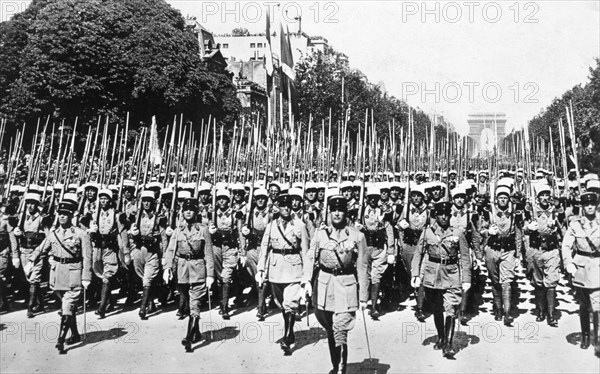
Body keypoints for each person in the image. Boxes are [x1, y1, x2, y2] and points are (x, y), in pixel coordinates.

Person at [25, 199, 92, 354]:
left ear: (72, 215)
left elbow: (87, 257)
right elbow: (41, 249)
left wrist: (86, 276)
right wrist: (30, 261)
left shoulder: (81, 234)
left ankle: (60, 341)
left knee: (67, 306)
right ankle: (74, 334)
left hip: (74, 273)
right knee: (67, 306)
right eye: (60, 214)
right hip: (57, 275)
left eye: (65, 214)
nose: (62, 216)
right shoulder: (54, 234)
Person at [311, 194, 368, 374]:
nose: (337, 214)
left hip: (346, 285)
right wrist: (305, 282)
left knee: (340, 328)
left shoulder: (357, 236)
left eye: (340, 210)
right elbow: (309, 258)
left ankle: (340, 370)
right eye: (333, 210)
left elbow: (362, 267)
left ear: (346, 212)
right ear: (329, 212)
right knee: (330, 329)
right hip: (324, 285)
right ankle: (335, 365)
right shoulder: (320, 234)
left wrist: (364, 296)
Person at [411, 201, 471, 358]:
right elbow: (418, 253)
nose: (444, 217)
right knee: (437, 308)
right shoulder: (427, 233)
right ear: (435, 216)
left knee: (451, 309)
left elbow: (465, 257)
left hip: (451, 274)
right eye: (440, 214)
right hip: (432, 275)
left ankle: (449, 345)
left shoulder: (457, 233)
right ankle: (442, 337)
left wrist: (466, 279)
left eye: (446, 214)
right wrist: (415, 274)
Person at [256, 193, 312, 355]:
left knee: (290, 302)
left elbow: (305, 251)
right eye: (282, 206)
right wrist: (261, 269)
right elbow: (264, 248)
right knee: (281, 302)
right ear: (277, 207)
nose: (286, 209)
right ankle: (291, 331)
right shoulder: (271, 225)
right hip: (275, 268)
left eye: (288, 206)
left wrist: (306, 276)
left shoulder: (299, 225)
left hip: (294, 267)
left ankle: (287, 338)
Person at [163, 198, 215, 352]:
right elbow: (171, 250)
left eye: (191, 209)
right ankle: (197, 331)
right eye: (185, 209)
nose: (188, 212)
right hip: (181, 271)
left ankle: (188, 338)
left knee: (195, 304)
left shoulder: (203, 230)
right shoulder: (178, 230)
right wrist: (167, 267)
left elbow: (209, 254)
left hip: (198, 269)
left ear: (196, 212)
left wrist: (210, 275)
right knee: (187, 299)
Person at [561, 192, 600, 356]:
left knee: (598, 305)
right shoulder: (575, 225)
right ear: (582, 207)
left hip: (598, 266)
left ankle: (597, 338)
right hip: (582, 269)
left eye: (592, 204)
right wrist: (568, 262)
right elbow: (566, 245)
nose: (590, 207)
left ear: (596, 205)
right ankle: (585, 336)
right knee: (584, 306)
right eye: (586, 205)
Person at [525, 184, 564, 327]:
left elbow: (563, 226)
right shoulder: (532, 210)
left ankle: (552, 314)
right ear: (537, 197)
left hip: (551, 250)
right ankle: (541, 311)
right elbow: (523, 228)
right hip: (536, 249)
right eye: (542, 195)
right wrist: (529, 228)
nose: (545, 198)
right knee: (538, 282)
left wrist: (557, 225)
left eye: (547, 195)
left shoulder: (555, 210)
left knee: (551, 282)